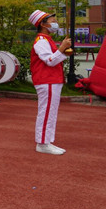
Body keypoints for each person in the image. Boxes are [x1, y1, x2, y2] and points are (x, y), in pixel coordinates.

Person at [29, 10, 71, 155]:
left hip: (51, 80)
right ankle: (42, 143)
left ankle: (46, 141)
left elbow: (53, 58)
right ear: (43, 24)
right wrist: (62, 48)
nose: (55, 23)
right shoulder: (41, 41)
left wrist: (63, 51)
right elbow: (50, 61)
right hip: (47, 80)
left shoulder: (46, 39)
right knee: (47, 112)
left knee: (50, 112)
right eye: (53, 21)